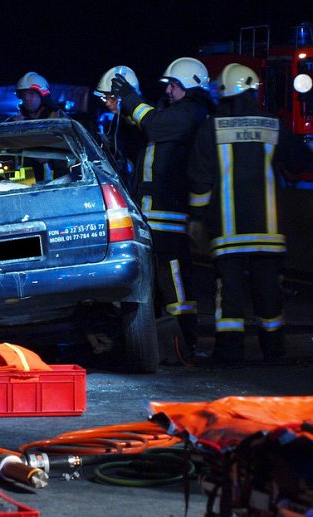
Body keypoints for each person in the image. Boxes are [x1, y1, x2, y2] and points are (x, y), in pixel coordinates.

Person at [187, 63, 313, 364]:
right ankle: (273, 350)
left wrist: (197, 217)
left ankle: (229, 352)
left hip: (228, 232)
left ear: (224, 91)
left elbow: (199, 178)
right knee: (269, 292)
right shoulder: (272, 125)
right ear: (254, 90)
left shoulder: (211, 127)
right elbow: (299, 161)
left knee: (229, 293)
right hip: (267, 231)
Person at [111, 56, 214, 357]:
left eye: (173, 84)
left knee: (175, 283)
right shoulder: (171, 113)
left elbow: (153, 125)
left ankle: (186, 341)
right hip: (151, 214)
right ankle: (164, 343)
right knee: (156, 283)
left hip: (170, 214)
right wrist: (123, 111)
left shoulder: (192, 112)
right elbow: (139, 137)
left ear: (189, 85)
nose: (168, 90)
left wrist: (131, 98)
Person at [94, 66, 146, 195]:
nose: (107, 103)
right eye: (105, 98)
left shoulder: (142, 123)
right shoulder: (117, 122)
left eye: (112, 98)